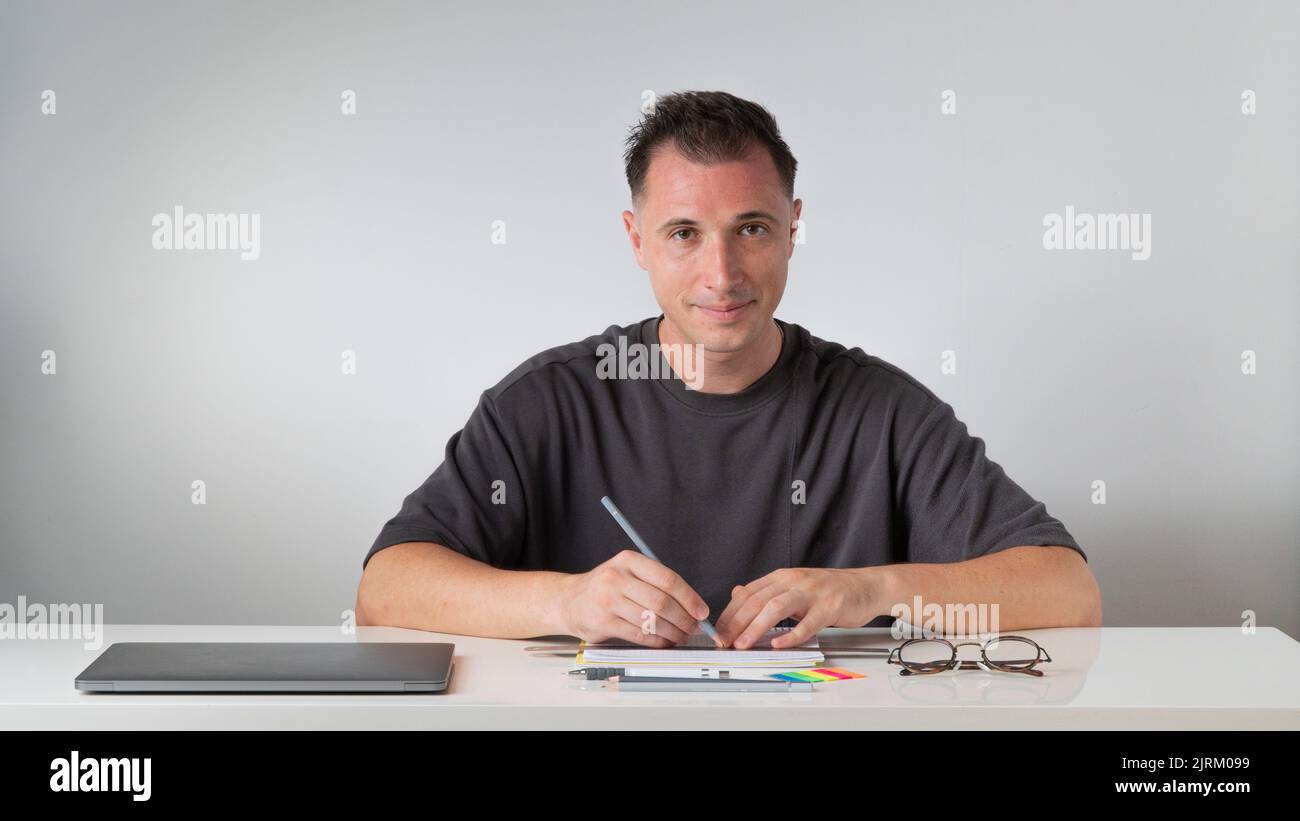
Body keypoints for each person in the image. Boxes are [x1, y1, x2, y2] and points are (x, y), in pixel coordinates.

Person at [355, 90, 1101, 650]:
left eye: (752, 228)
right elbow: (384, 590)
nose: (722, 273)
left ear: (792, 229)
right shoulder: (547, 404)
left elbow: (1070, 592)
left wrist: (869, 589)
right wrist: (566, 602)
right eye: (684, 232)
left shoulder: (881, 411)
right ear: (637, 240)